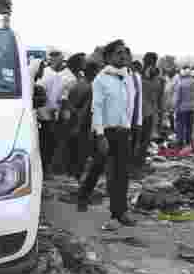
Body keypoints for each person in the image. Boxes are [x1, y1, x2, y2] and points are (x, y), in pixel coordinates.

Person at [78, 39, 137, 230]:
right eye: (118, 53)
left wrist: (132, 126)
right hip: (105, 131)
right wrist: (100, 135)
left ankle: (119, 212)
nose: (123, 56)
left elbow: (130, 105)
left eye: (124, 52)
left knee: (121, 173)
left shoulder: (127, 76)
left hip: (123, 131)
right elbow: (97, 108)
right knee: (98, 167)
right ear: (109, 57)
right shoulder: (101, 79)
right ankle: (83, 195)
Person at [59, 53, 93, 181]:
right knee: (77, 151)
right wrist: (75, 115)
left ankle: (71, 173)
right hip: (75, 122)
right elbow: (65, 100)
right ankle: (73, 175)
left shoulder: (79, 80)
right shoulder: (77, 82)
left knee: (73, 149)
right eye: (82, 62)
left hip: (73, 121)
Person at [37, 50, 67, 175]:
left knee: (50, 144)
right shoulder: (45, 74)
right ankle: (43, 169)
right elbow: (39, 93)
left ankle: (47, 168)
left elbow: (59, 96)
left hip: (53, 116)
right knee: (44, 144)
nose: (63, 63)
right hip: (43, 116)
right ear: (54, 59)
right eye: (61, 60)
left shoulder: (58, 75)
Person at [136, 52, 165, 173]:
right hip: (147, 112)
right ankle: (138, 164)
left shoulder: (137, 75)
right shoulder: (156, 78)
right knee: (143, 140)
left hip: (138, 112)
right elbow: (158, 99)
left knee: (139, 140)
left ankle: (137, 163)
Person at [172, 67, 194, 148]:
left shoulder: (180, 83)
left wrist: (175, 107)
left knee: (180, 126)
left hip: (182, 108)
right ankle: (188, 141)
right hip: (192, 107)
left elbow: (177, 97)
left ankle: (180, 142)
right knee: (189, 126)